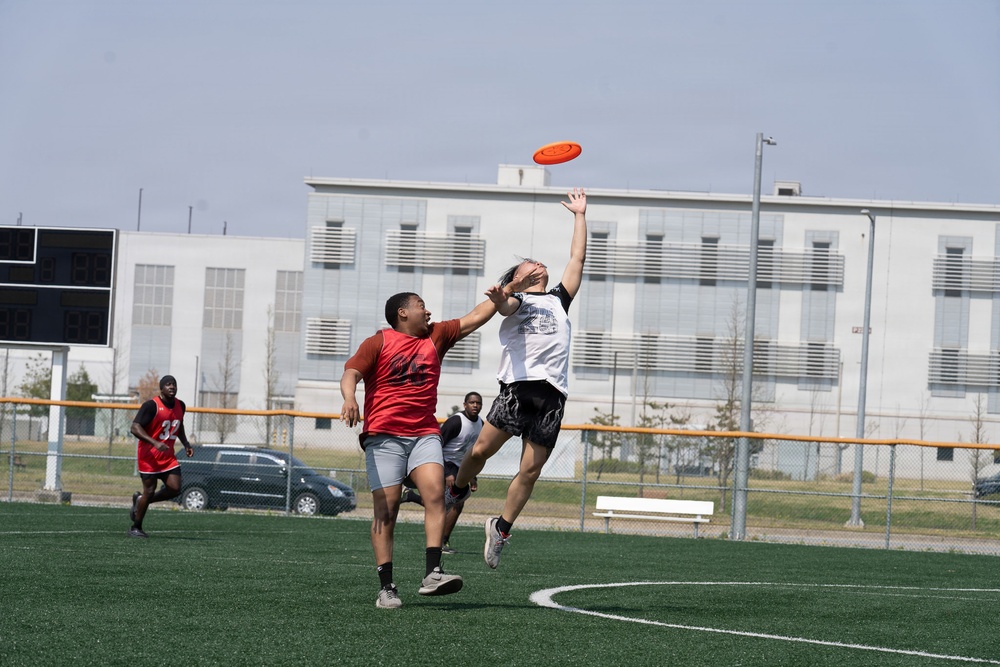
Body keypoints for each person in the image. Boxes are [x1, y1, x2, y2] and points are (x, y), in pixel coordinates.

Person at [341, 278, 540, 609]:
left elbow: (476, 316)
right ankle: (386, 587)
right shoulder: (378, 342)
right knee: (386, 511)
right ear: (402, 313)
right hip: (384, 435)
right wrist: (349, 398)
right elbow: (351, 373)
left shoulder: (436, 336)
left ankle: (433, 572)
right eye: (421, 305)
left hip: (424, 434)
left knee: (436, 496)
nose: (428, 310)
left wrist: (509, 287)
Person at [446, 187, 588, 570]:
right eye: (528, 264)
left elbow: (577, 257)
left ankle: (501, 528)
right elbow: (505, 303)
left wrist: (579, 215)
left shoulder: (559, 299)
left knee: (530, 470)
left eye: (537, 262)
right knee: (479, 453)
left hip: (553, 396)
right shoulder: (518, 301)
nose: (536, 263)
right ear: (520, 277)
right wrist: (506, 290)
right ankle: (457, 490)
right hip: (519, 389)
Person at [401, 391, 484, 553]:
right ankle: (439, 543)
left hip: (460, 466)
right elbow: (436, 445)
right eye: (472, 402)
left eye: (478, 403)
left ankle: (410, 497)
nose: (475, 405)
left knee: (453, 504)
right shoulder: (456, 422)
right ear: (465, 404)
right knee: (442, 503)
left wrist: (473, 476)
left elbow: (473, 451)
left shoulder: (481, 424)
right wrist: (446, 473)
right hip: (443, 462)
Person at [128, 374, 193, 538]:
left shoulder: (181, 405)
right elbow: (135, 428)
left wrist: (185, 443)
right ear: (162, 388)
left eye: (174, 384)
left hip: (167, 457)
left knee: (175, 488)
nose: (172, 387)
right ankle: (136, 527)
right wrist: (154, 442)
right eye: (168, 384)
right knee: (149, 491)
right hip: (149, 456)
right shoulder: (151, 405)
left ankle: (140, 501)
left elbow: (179, 425)